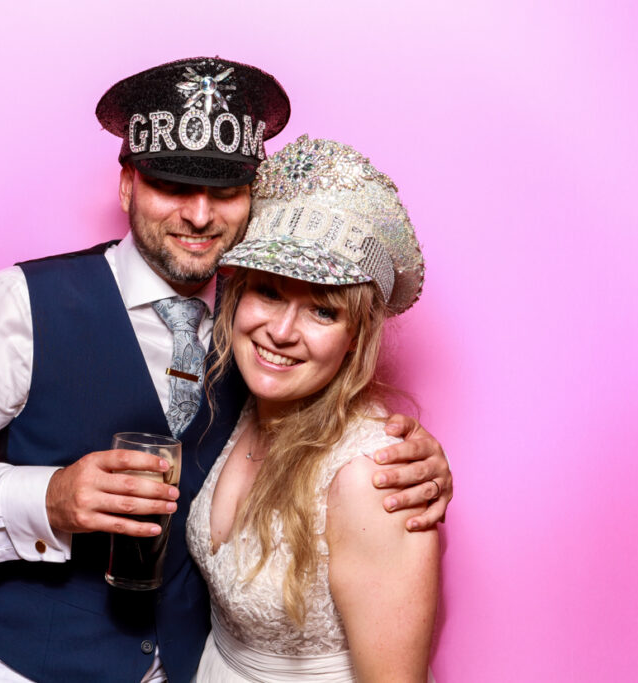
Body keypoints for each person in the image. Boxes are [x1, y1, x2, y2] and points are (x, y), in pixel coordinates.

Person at [0, 58, 452, 683]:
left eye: (226, 192)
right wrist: (46, 497)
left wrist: (411, 458)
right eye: (174, 186)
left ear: (252, 199)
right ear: (128, 185)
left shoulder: (259, 329)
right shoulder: (21, 301)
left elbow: (326, 441)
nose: (200, 216)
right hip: (17, 668)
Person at [187, 135, 440, 682]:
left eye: (322, 312)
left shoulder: (375, 481)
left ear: (356, 336)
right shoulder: (244, 402)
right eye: (270, 293)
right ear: (238, 295)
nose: (280, 332)